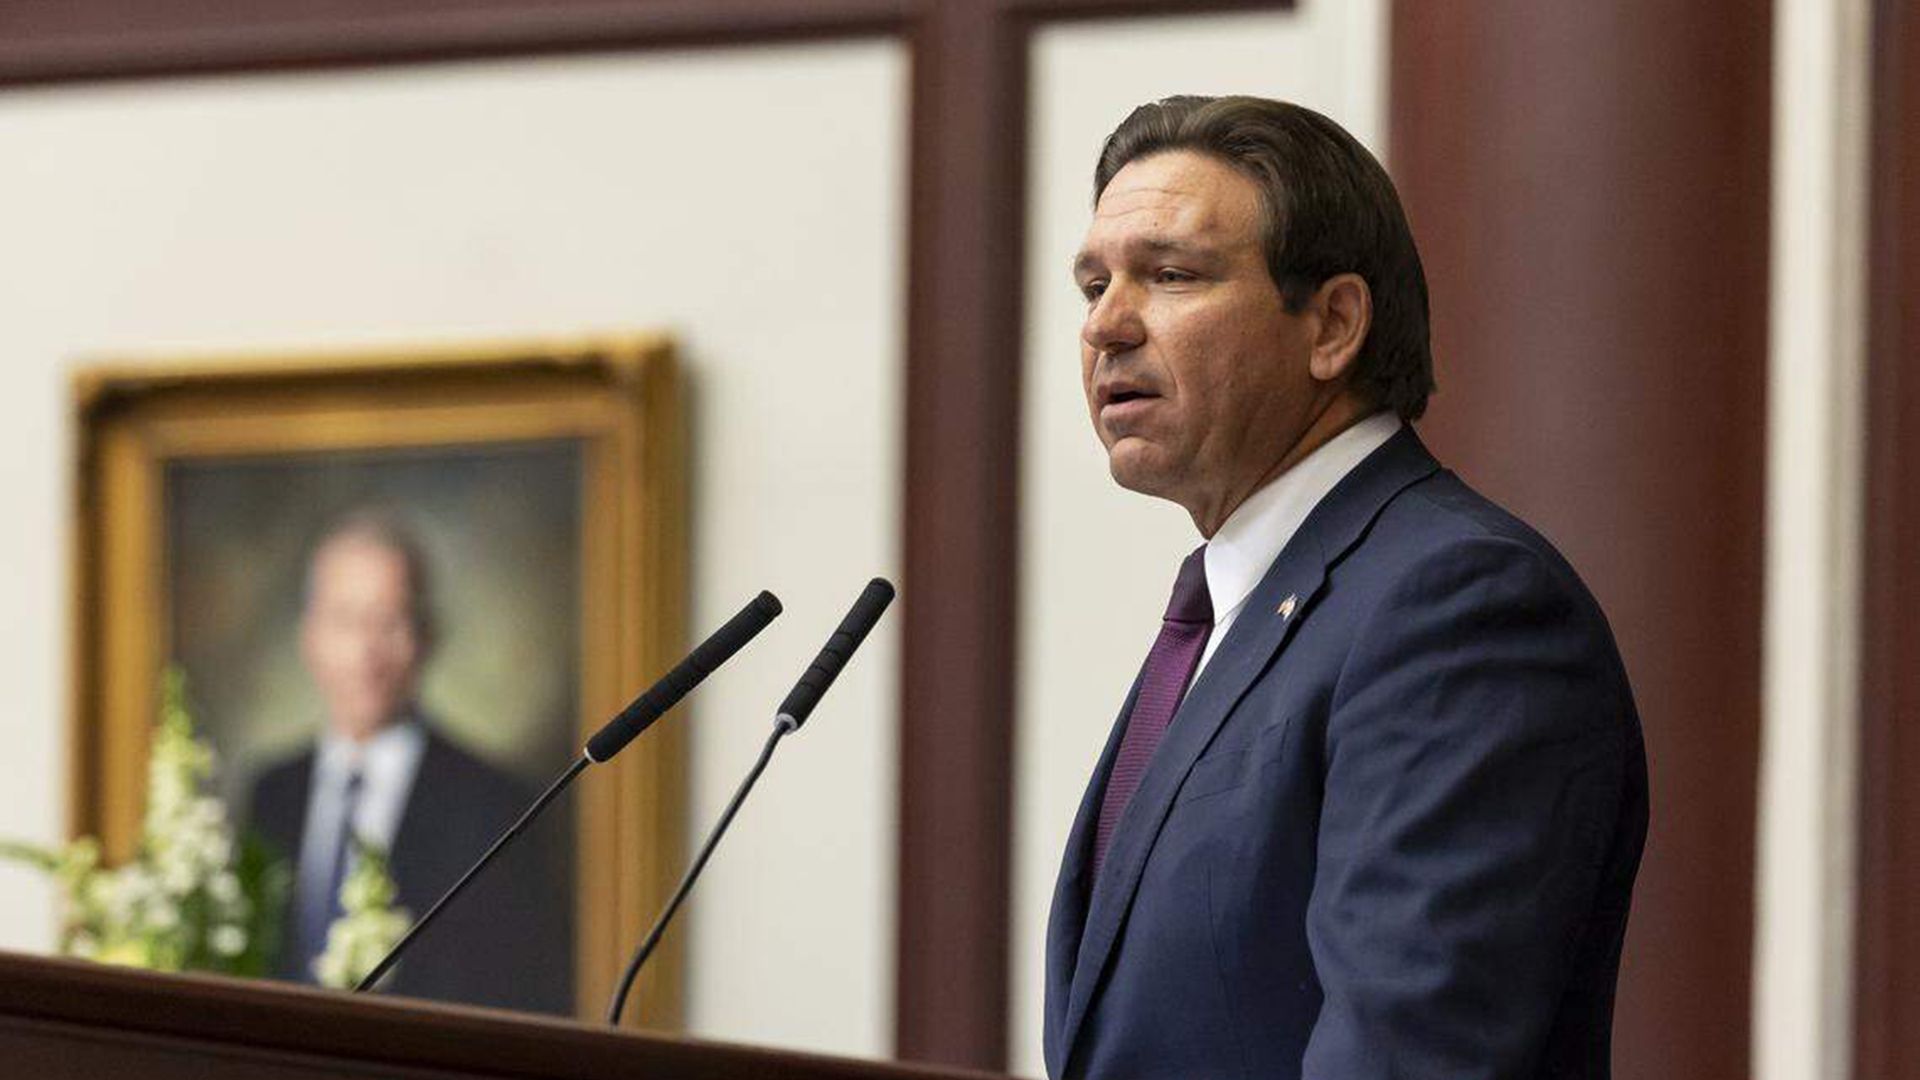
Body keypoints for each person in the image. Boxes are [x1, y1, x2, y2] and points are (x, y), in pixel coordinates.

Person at [1043, 96, 1648, 1079]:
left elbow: (1411, 1050)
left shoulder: (1460, 608)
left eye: (1171, 275)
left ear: (1332, 324)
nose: (1107, 325)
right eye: (1093, 283)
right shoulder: (1234, 613)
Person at [247, 511, 572, 1014]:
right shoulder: (271, 794)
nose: (366, 652)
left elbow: (522, 999)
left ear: (426, 636)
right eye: (347, 620)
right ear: (308, 635)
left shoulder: (494, 805)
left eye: (389, 621)